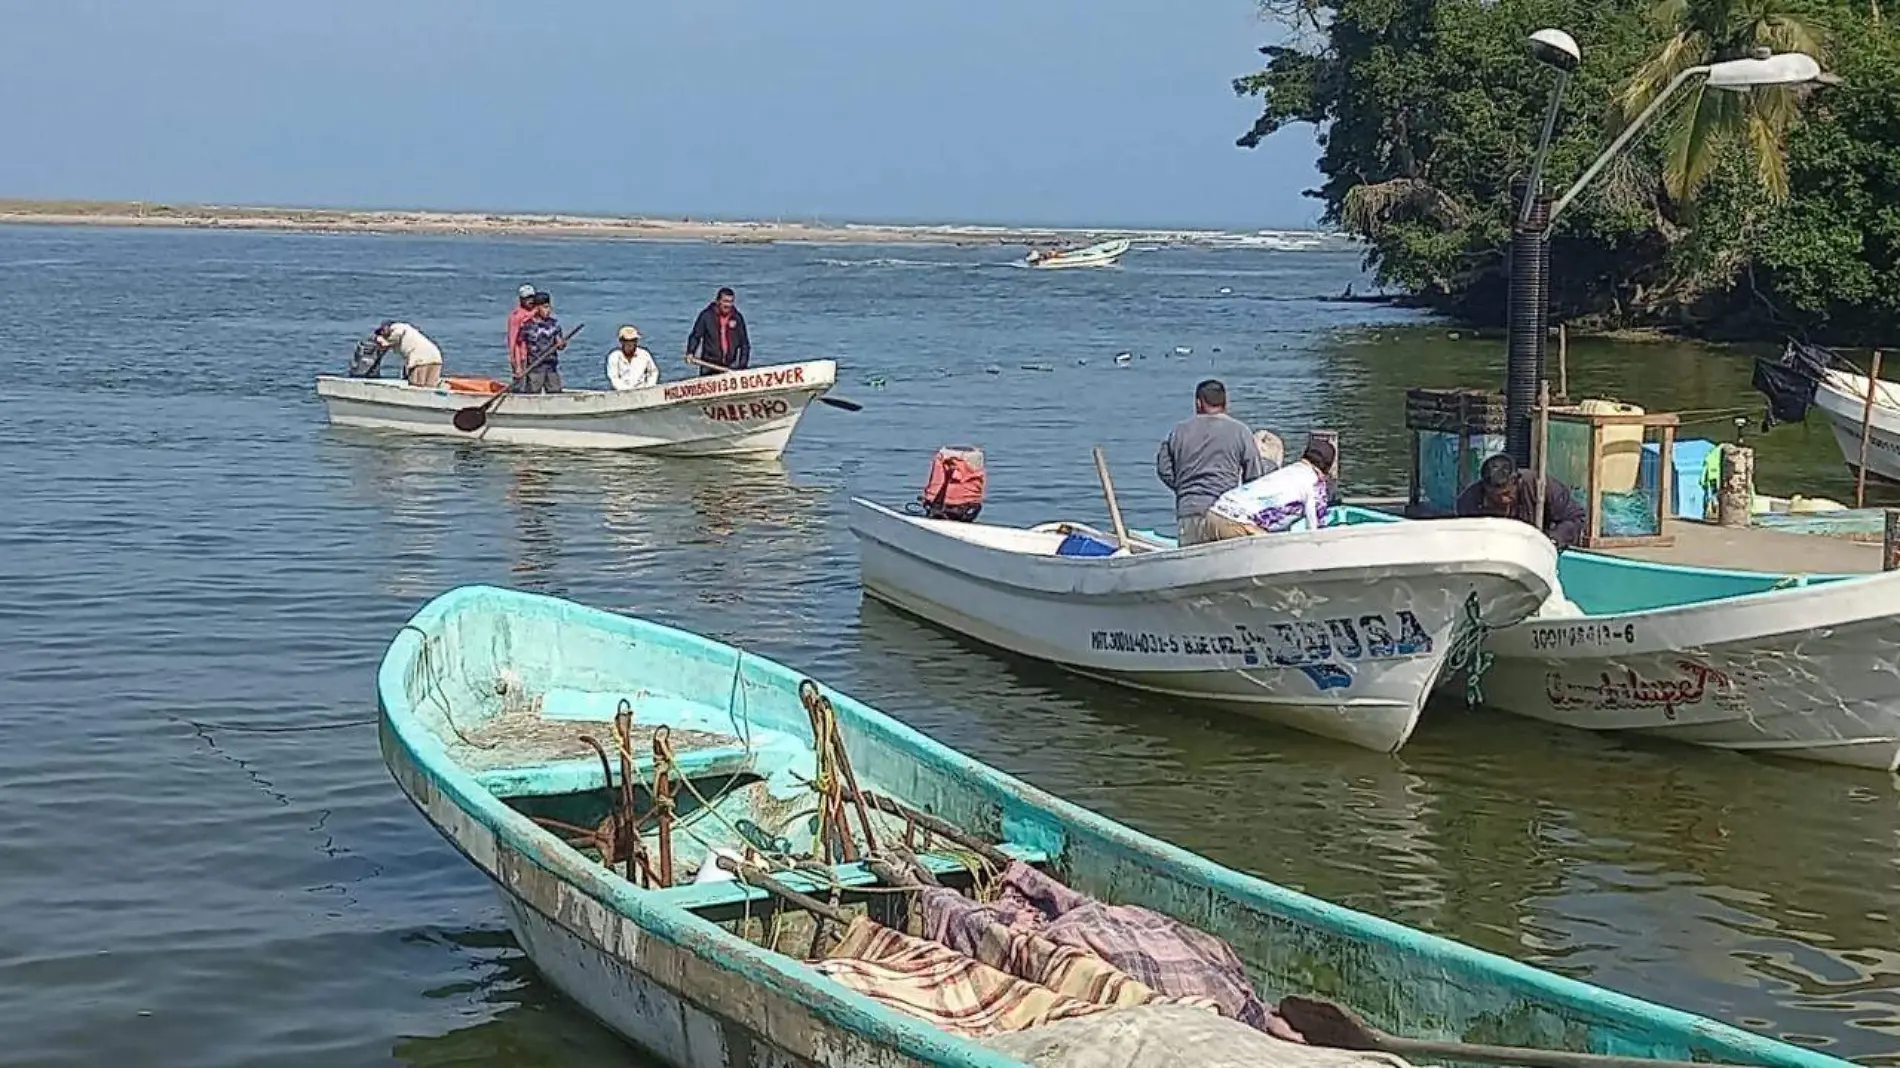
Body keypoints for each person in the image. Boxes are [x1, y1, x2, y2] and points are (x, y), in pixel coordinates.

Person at [1155, 379, 1267, 546]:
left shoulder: (1178, 431)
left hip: (1190, 510)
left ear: (1198, 403)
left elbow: (1164, 469)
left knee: (1192, 564)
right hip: (1225, 512)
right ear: (1225, 402)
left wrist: (1184, 486)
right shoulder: (1240, 431)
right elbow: (1254, 477)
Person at [1203, 435, 1337, 540]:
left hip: (1214, 513)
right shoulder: (1315, 483)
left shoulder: (1289, 471)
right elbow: (1316, 533)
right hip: (1238, 523)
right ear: (1327, 468)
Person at [1456, 452, 1587, 550]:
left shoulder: (1540, 487)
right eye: (1495, 497)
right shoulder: (1469, 502)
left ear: (1516, 482)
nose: (1503, 499)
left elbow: (1576, 517)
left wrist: (1552, 540)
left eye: (1507, 493)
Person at [685, 287, 750, 375]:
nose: (728, 305)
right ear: (718, 301)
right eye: (725, 301)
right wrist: (690, 352)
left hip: (730, 365)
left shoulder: (737, 318)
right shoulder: (706, 316)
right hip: (709, 365)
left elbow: (744, 344)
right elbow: (696, 336)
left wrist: (742, 366)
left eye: (731, 301)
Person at [514, 294, 568, 393]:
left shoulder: (554, 324)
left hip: (551, 365)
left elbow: (560, 344)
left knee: (555, 391)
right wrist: (518, 366)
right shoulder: (527, 326)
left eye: (549, 307)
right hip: (535, 367)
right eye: (545, 307)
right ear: (536, 308)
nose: (548, 310)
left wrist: (562, 344)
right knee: (533, 392)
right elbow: (519, 345)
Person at [374, 320, 444, 387]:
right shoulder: (410, 332)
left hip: (420, 359)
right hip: (436, 357)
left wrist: (381, 341)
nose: (382, 333)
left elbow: (396, 336)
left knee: (416, 386)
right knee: (430, 387)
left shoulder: (398, 328)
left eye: (382, 331)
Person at [607, 325, 658, 391]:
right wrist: (627, 391)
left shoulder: (644, 354)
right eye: (626, 340)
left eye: (633, 340)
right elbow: (614, 378)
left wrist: (649, 387)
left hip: (643, 391)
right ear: (621, 341)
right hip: (620, 393)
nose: (630, 343)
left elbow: (653, 372)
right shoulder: (614, 356)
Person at [507, 283, 538, 376]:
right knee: (521, 384)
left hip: (535, 354)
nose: (530, 300)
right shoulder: (516, 316)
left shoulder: (537, 313)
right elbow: (513, 340)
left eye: (532, 297)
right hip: (521, 356)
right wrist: (515, 362)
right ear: (521, 299)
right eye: (527, 298)